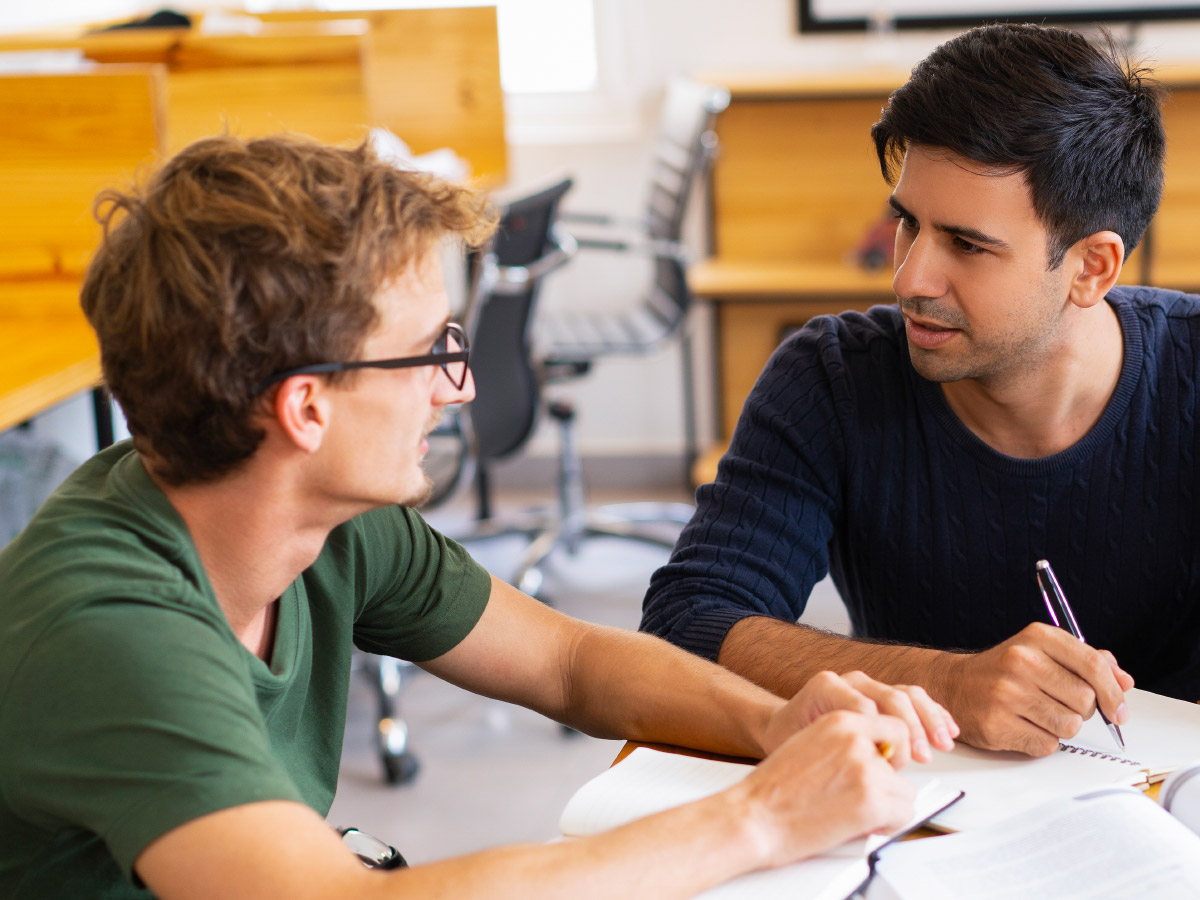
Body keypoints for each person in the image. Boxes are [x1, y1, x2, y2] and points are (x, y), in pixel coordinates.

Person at [0, 134, 957, 899]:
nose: (457, 388)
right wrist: (761, 817)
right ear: (305, 407)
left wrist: (778, 723)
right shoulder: (110, 627)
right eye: (428, 353)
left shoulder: (327, 517)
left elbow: (569, 661)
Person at [641, 22, 1189, 759]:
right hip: (925, 823)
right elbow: (686, 624)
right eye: (907, 225)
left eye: (967, 245)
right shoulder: (831, 378)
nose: (910, 280)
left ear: (1092, 267)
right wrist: (945, 682)